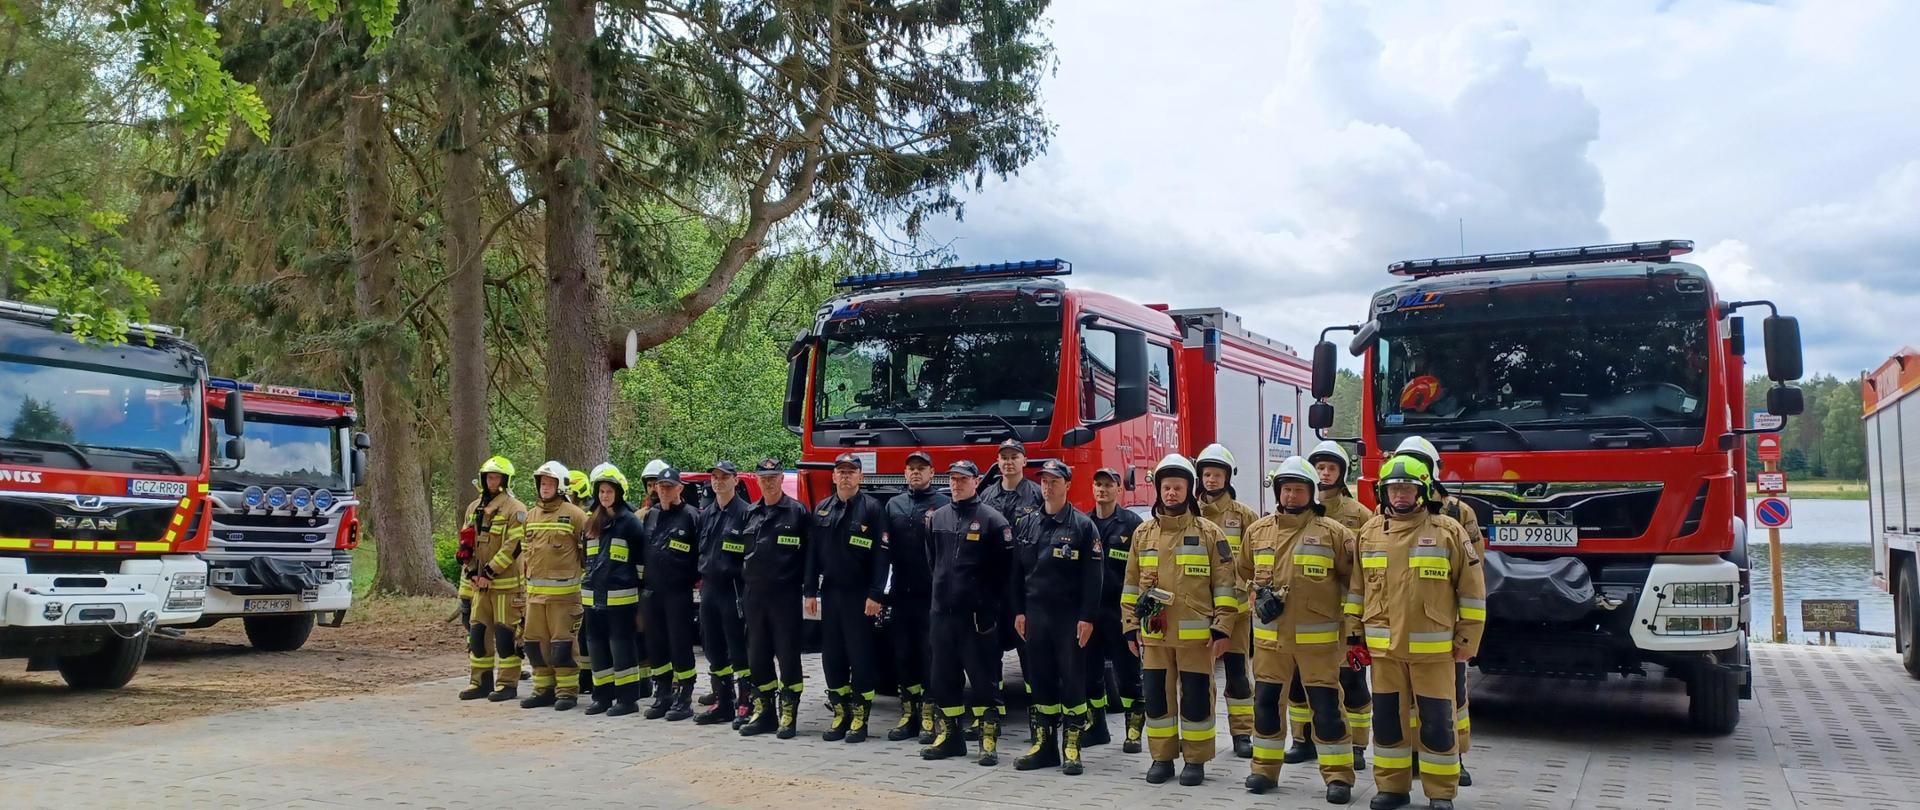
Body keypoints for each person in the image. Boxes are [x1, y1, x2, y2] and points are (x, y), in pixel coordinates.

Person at [1355, 455, 1485, 810]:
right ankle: (1392, 788)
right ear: (1383, 493)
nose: (1400, 495)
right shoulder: (1369, 533)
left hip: (1434, 651)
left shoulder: (1448, 531)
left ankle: (1441, 792)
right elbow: (1357, 590)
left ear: (1423, 491)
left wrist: (1467, 639)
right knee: (1388, 722)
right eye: (1393, 489)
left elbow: (1472, 590)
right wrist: (1354, 636)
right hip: (1384, 652)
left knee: (1438, 722)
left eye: (1407, 488)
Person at [1244, 457, 1360, 804]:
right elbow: (1241, 572)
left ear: (1311, 493)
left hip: (1319, 645)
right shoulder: (1258, 532)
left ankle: (1338, 776)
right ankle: (1264, 770)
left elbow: (1355, 583)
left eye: (1298, 489)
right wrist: (1256, 594)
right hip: (1269, 642)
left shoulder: (1334, 533)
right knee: (1265, 704)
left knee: (1327, 709)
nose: (1291, 495)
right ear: (1278, 492)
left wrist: (1353, 630)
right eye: (1286, 489)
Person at [1123, 454, 1239, 787]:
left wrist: (1222, 628)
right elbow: (1131, 584)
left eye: (1178, 487)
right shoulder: (1143, 534)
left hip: (1196, 638)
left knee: (1196, 700)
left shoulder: (1209, 533)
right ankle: (1161, 758)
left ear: (1189, 490)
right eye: (1166, 487)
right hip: (1155, 635)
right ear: (1159, 490)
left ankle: (1195, 760)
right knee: (1157, 699)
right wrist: (1130, 626)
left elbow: (1225, 585)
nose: (1171, 493)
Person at [1385, 435, 1482, 785]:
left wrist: (1463, 631)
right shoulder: (1391, 511)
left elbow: (1473, 571)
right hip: (1402, 627)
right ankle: (1413, 754)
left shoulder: (1457, 514)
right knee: (1407, 701)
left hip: (1442, 627)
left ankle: (1455, 756)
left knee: (1450, 698)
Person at [1010, 459, 1102, 776]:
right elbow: (1016, 573)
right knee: (1040, 681)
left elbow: (1094, 578)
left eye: (1054, 481)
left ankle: (1072, 748)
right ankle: (1044, 747)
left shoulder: (1082, 526)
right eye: (1044, 481)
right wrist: (1018, 611)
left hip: (1069, 619)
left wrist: (1088, 617)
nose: (1047, 487)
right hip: (1036, 616)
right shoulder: (1027, 523)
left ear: (1068, 485)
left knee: (1073, 681)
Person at [921, 460, 1016, 766]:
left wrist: (989, 608)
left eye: (963, 479)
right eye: (953, 478)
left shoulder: (993, 521)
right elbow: (933, 562)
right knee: (943, 679)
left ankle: (988, 741)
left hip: (976, 619)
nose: (956, 484)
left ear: (976, 482)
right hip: (942, 615)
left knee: (983, 681)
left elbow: (1005, 574)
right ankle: (950, 738)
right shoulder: (936, 519)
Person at [1289, 440, 1375, 768]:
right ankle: (1303, 740)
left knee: (1351, 679)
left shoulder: (1359, 514)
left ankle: (1356, 745)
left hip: (1345, 616)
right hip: (1307, 617)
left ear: (1342, 473)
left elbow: (1368, 567)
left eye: (1331, 468)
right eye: (1320, 468)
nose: (1325, 473)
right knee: (1300, 680)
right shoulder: (1298, 513)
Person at [805, 453, 890, 743]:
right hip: (831, 594)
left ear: (861, 477)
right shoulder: (822, 509)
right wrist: (809, 591)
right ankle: (840, 714)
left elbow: (882, 555)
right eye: (840, 471)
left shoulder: (873, 509)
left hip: (860, 596)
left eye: (851, 472)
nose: (845, 476)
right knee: (832, 657)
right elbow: (812, 555)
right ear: (833, 476)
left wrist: (876, 594)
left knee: (861, 657)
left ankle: (860, 720)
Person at [739, 458, 812, 739]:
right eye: (764, 478)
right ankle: (764, 712)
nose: (768, 482)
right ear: (758, 480)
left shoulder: (797, 512)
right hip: (754, 596)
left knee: (787, 655)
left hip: (785, 596)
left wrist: (809, 590)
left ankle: (788, 714)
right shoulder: (750, 513)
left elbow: (810, 557)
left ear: (782, 479)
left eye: (773, 477)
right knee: (757, 656)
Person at [881, 450, 950, 743]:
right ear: (905, 473)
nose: (916, 472)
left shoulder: (944, 505)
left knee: (929, 655)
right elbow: (884, 551)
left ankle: (928, 715)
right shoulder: (893, 505)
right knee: (903, 654)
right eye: (911, 468)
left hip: (931, 594)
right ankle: (908, 713)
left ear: (932, 473)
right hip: (901, 592)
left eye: (922, 468)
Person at [1195, 443, 1259, 759]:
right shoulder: (1189, 513)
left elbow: (1258, 559)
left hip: (1236, 613)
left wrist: (1254, 590)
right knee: (1198, 678)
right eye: (1207, 474)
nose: (1212, 480)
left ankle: (1242, 733)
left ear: (1227, 478)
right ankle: (1200, 736)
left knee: (1237, 674)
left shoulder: (1243, 515)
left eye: (1217, 475)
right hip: (1198, 611)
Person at [519, 461, 591, 711]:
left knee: (563, 646)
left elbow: (587, 555)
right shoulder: (530, 516)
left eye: (550, 483)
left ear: (560, 486)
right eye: (542, 483)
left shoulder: (576, 515)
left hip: (564, 598)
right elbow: (526, 555)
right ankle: (543, 690)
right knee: (535, 645)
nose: (545, 487)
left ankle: (567, 692)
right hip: (535, 597)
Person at [980, 438, 1043, 716]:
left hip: (1025, 583)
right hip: (994, 583)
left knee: (1028, 646)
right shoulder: (986, 496)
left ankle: (1038, 707)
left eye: (1014, 457)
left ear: (1024, 461)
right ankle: (994, 707)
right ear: (997, 462)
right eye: (1004, 457)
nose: (1008, 462)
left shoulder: (1037, 495)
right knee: (990, 646)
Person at [458, 456, 529, 702]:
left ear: (506, 480)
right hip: (480, 587)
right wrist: (471, 571)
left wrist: (489, 572)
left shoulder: (516, 509)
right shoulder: (473, 508)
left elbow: (513, 546)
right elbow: (467, 542)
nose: (492, 482)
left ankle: (507, 684)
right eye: (489, 477)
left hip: (506, 587)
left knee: (506, 636)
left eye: (497, 477)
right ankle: (480, 682)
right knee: (477, 634)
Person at [1085, 467, 1144, 751]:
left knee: (1128, 674)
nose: (1102, 490)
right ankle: (1097, 727)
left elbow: (1144, 569)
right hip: (1091, 612)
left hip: (1121, 613)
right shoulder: (1083, 524)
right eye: (1098, 484)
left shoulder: (1132, 525)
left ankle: (1133, 731)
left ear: (1119, 490)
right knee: (1090, 674)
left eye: (1108, 485)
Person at [581, 463, 644, 716]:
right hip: (593, 597)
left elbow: (641, 560)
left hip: (621, 598)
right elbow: (586, 559)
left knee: (621, 647)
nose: (605, 495)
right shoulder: (592, 521)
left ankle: (627, 699)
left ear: (618, 493)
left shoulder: (629, 521)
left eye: (609, 491)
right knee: (596, 647)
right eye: (601, 491)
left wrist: (641, 593)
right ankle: (602, 697)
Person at [638, 466, 700, 721]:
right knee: (656, 644)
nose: (664, 491)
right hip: (653, 592)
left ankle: (684, 696)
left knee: (680, 644)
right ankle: (662, 692)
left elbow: (700, 555)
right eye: (660, 487)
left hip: (678, 592)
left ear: (679, 489)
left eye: (669, 487)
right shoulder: (651, 515)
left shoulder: (691, 516)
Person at [695, 461, 753, 726]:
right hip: (709, 589)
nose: (718, 481)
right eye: (715, 477)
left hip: (733, 589)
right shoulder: (706, 514)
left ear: (735, 481)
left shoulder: (746, 513)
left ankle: (745, 702)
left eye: (724, 477)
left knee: (737, 647)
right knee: (713, 647)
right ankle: (722, 702)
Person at [566, 469, 596, 700]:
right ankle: (582, 675)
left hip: (584, 584)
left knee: (585, 634)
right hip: (574, 585)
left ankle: (587, 676)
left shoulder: (586, 518)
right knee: (578, 635)